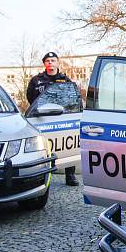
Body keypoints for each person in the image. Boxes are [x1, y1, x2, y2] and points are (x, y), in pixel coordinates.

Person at [26, 51, 79, 186]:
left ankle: (70, 175)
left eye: (53, 60)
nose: (50, 63)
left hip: (62, 117)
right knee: (42, 145)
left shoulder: (65, 80)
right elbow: (30, 97)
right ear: (44, 63)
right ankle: (40, 173)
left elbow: (72, 96)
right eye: (48, 61)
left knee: (67, 144)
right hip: (42, 117)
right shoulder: (36, 80)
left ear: (57, 62)